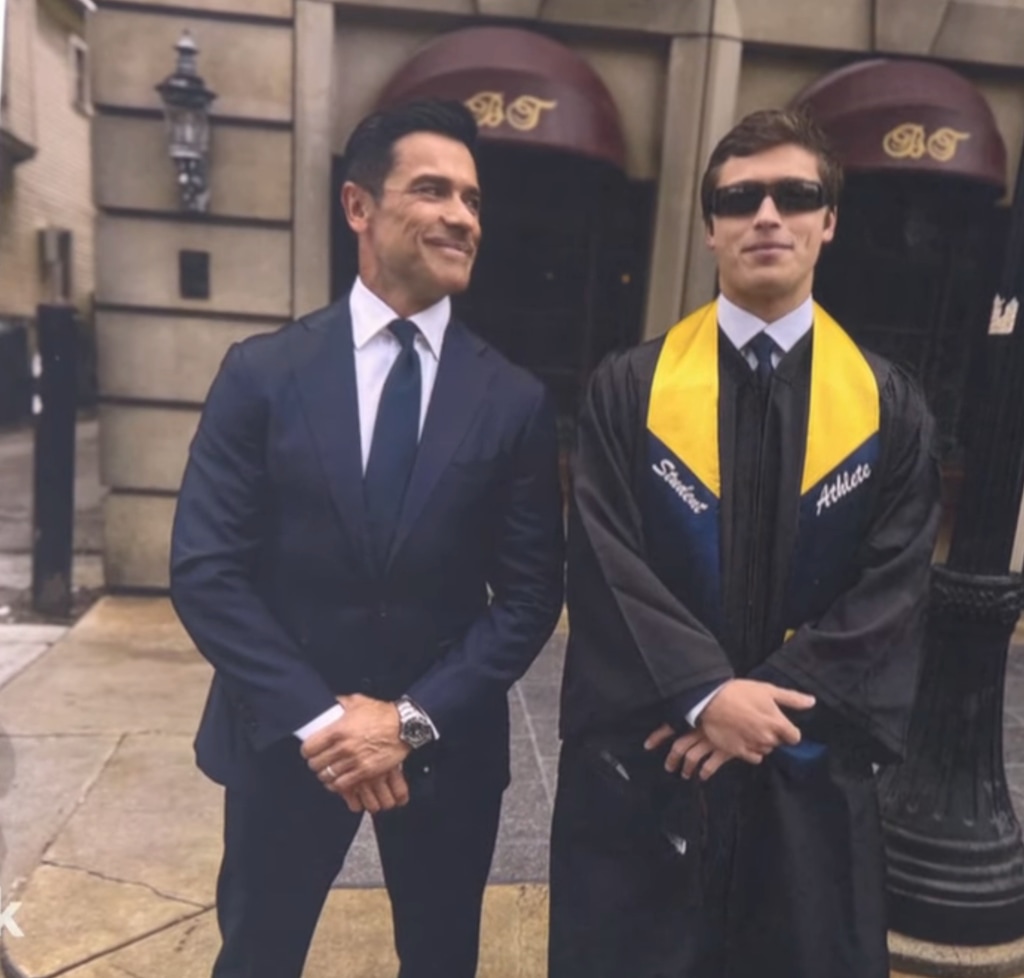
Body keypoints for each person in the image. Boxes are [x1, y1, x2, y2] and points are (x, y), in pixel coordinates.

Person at [170, 98, 564, 978]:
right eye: (433, 190)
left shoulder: (514, 402)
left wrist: (409, 723)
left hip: (446, 745)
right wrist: (326, 725)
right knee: (258, 955)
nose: (462, 216)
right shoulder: (263, 375)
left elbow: (533, 593)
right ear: (359, 206)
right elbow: (207, 572)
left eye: (471, 198)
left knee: (440, 960)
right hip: (286, 744)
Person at [549, 108, 941, 978]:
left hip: (806, 765)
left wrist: (753, 708)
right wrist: (699, 694)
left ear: (828, 222)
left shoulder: (886, 406)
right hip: (659, 763)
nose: (768, 215)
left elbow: (895, 587)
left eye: (796, 195)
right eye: (740, 198)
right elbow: (606, 559)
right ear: (709, 227)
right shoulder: (631, 390)